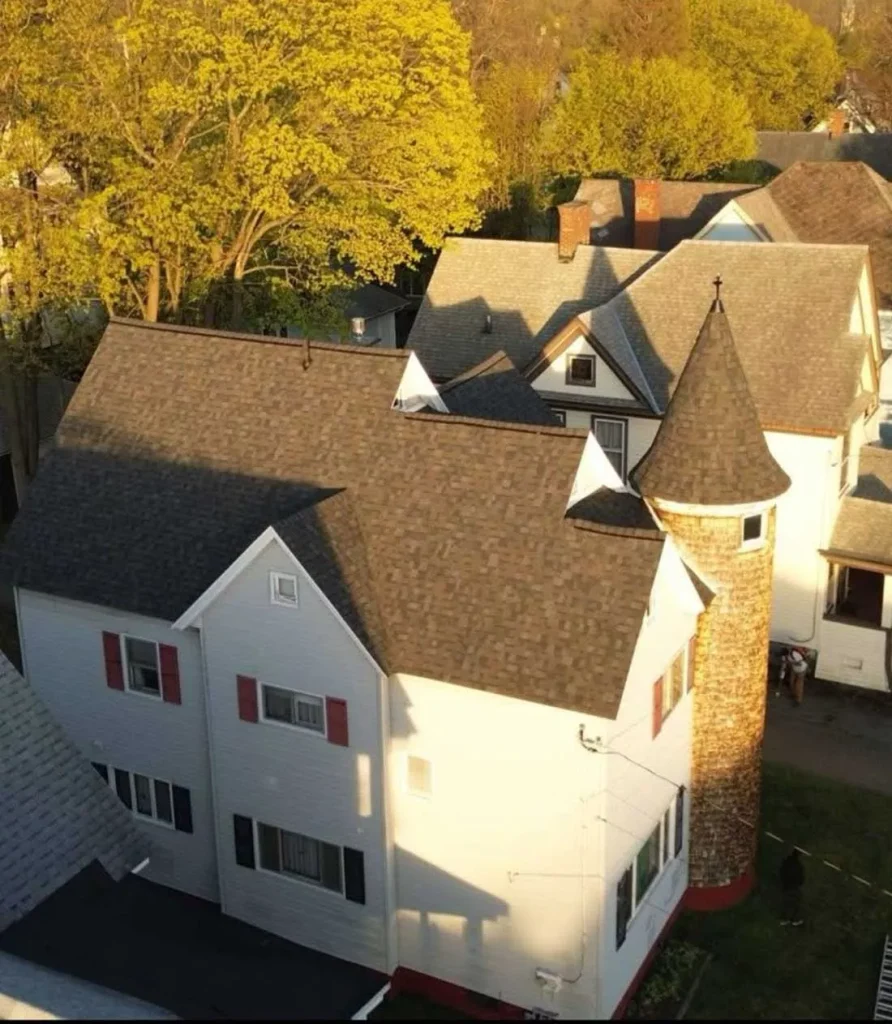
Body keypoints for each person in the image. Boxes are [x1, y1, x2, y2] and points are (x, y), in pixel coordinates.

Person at [780, 848, 805, 926]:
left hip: (786, 886)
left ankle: (785, 919)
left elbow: (782, 872)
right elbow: (801, 878)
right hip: (794, 887)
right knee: (795, 904)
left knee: (786, 903)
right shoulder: (799, 866)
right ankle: (795, 919)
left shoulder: (786, 862)